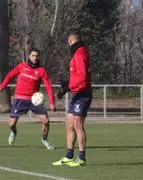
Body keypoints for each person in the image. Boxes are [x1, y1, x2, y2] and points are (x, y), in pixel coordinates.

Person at [0, 48, 56, 150]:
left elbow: (48, 86)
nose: (35, 58)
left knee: (45, 121)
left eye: (37, 56)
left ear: (39, 57)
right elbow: (10, 75)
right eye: (33, 55)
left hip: (34, 100)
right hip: (20, 98)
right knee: (11, 123)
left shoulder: (42, 71)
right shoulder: (22, 66)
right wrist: (2, 87)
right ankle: (14, 131)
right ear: (29, 56)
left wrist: (52, 103)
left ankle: (44, 140)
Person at [52, 30, 92, 167]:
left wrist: (67, 87)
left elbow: (82, 78)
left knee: (78, 125)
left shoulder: (80, 53)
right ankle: (69, 156)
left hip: (83, 94)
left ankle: (82, 158)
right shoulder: (78, 52)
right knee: (69, 124)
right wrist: (68, 82)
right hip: (77, 94)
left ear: (70, 40)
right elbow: (77, 75)